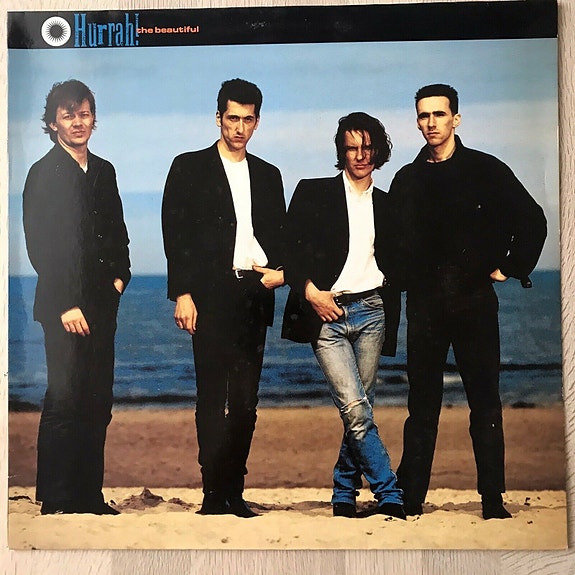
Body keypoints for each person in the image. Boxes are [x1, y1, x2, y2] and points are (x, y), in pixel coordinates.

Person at [387, 84, 547, 519]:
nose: (431, 123)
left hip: (474, 301)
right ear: (417, 121)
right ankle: (411, 498)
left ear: (456, 118)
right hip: (424, 306)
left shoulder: (486, 169)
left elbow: (532, 219)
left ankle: (492, 500)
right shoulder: (406, 179)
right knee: (422, 406)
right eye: (424, 115)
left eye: (439, 114)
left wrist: (510, 267)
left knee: (485, 402)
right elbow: (390, 243)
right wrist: (403, 279)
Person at [161, 78, 285, 518]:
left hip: (254, 292)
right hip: (209, 295)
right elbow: (175, 234)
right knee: (212, 397)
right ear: (218, 117)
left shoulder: (269, 174)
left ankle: (235, 490)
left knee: (246, 401)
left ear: (257, 122)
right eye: (232, 118)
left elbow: (280, 234)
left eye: (248, 120)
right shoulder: (188, 166)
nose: (239, 128)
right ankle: (213, 493)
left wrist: (281, 273)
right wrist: (183, 293)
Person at [282, 112, 405, 519]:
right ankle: (389, 491)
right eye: (352, 148)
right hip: (326, 313)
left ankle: (343, 492)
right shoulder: (313, 192)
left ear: (378, 151)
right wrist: (310, 293)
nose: (360, 155)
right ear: (341, 152)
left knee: (360, 409)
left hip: (372, 312)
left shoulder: (388, 205)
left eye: (367, 147)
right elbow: (289, 252)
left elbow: (403, 261)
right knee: (355, 408)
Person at [23, 79, 131, 515]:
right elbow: (40, 246)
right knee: (65, 398)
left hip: (103, 304)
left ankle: (89, 496)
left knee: (98, 400)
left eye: (84, 114)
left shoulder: (104, 170)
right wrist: (67, 304)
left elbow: (118, 234)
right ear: (53, 123)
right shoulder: (42, 173)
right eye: (68, 115)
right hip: (63, 308)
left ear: (94, 119)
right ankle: (55, 497)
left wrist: (120, 279)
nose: (78, 122)